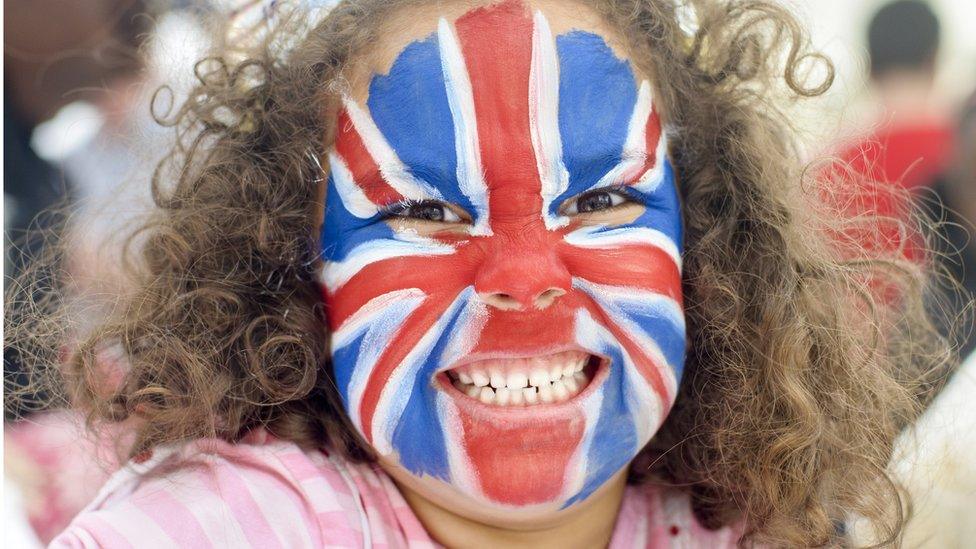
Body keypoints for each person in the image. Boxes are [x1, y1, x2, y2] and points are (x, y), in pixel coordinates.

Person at [5, 0, 954, 546]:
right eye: (422, 210)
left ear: (703, 247)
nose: (524, 276)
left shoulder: (755, 526)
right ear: (302, 268)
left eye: (597, 202)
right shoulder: (233, 524)